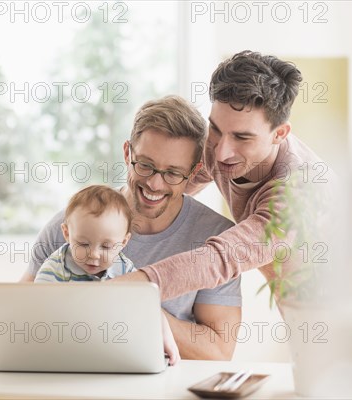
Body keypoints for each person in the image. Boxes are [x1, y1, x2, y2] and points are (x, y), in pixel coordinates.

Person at [21, 95, 242, 361]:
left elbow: (218, 351)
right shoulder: (70, 227)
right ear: (127, 153)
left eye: (172, 173)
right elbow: (21, 322)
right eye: (146, 166)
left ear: (193, 172)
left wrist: (138, 307)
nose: (155, 184)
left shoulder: (216, 240)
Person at [115, 51, 332, 311]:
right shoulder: (217, 147)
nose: (220, 153)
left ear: (280, 134)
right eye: (215, 129)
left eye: (242, 137)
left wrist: (120, 289)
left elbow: (222, 258)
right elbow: (168, 188)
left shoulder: (298, 194)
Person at [34, 184, 135, 282]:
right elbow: (40, 298)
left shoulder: (126, 269)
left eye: (106, 246)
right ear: (67, 234)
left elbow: (141, 296)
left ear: (123, 242)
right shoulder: (53, 270)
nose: (94, 255)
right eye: (83, 244)